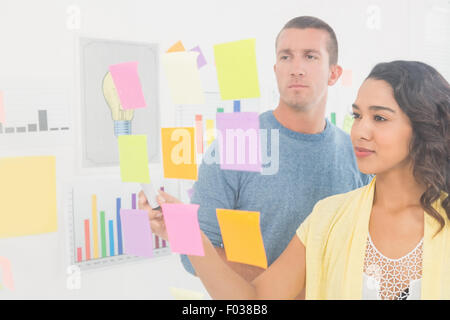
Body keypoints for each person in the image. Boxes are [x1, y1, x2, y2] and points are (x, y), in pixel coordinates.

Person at [150, 60, 450, 300]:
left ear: (424, 127)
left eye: (380, 118)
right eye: (357, 116)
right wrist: (191, 237)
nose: (360, 131)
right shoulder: (327, 218)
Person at [140, 16, 371, 292]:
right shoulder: (234, 145)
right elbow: (196, 257)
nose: (296, 68)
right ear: (276, 69)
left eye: (310, 56)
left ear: (334, 73)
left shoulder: (357, 155)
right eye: (286, 57)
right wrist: (283, 285)